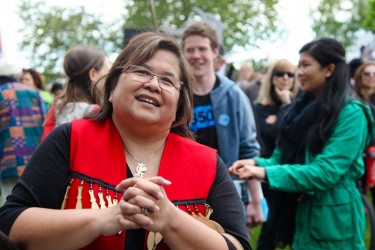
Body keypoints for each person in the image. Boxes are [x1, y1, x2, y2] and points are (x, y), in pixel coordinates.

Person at [0, 31, 251, 250]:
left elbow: (238, 245)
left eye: (167, 79)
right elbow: (11, 224)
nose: (153, 84)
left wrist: (172, 221)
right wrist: (103, 219)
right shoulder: (70, 139)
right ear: (110, 89)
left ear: (179, 105)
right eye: (141, 71)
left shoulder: (207, 163)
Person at [229, 37, 374, 249]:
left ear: (329, 69)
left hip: (334, 220)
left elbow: (326, 171)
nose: (299, 72)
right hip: (302, 214)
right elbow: (281, 157)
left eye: (306, 65)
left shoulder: (352, 113)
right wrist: (256, 164)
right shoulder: (303, 109)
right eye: (299, 65)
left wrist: (265, 174)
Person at [182, 22, 263, 228]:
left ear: (215, 52)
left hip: (226, 190)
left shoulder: (234, 95)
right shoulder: (177, 94)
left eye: (202, 49)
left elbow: (248, 149)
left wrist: (255, 199)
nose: (196, 55)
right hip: (186, 190)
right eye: (190, 50)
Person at [252, 59, 299, 250]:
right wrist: (285, 108)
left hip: (294, 168)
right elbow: (274, 134)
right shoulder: (262, 106)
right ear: (272, 78)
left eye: (290, 74)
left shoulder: (301, 102)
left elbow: (295, 133)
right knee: (270, 224)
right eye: (280, 74)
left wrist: (282, 113)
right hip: (270, 167)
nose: (285, 78)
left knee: (295, 221)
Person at [0, 59, 45, 206]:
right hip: (35, 159)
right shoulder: (35, 93)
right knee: (36, 206)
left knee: (10, 209)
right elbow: (45, 123)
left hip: (8, 161)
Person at [42, 45, 111, 139]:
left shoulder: (57, 107)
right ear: (93, 74)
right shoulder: (96, 114)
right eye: (108, 72)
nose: (110, 77)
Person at [353, 61, 375, 204]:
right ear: (360, 76)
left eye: (374, 74)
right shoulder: (354, 99)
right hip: (357, 153)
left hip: (373, 154)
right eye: (367, 73)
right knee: (358, 194)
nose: (371, 76)